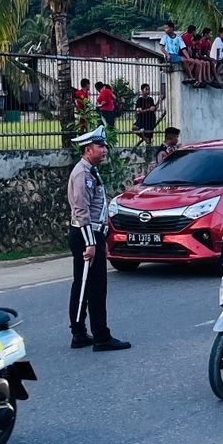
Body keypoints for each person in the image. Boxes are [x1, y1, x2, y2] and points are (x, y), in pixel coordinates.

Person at [67, 124, 130, 351]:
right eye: (99, 146)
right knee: (93, 287)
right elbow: (81, 210)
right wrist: (91, 243)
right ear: (88, 149)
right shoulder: (83, 174)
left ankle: (80, 333)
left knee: (85, 285)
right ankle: (100, 336)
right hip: (87, 235)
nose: (104, 150)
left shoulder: (90, 170)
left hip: (91, 234)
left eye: (104, 146)